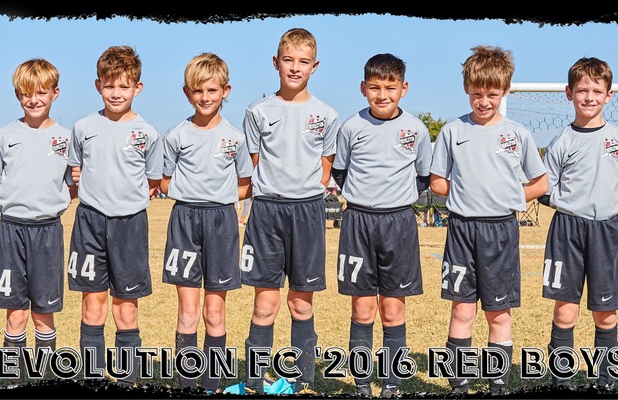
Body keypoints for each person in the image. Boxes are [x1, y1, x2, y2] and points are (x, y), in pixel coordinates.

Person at [429, 46, 548, 395]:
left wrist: (509, 197)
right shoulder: (453, 131)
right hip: (462, 230)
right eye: (477, 94)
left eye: (492, 94)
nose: (484, 102)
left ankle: (498, 384)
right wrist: (467, 194)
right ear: (467, 88)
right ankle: (459, 384)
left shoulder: (517, 134)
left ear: (505, 91)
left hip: (501, 231)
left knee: (498, 313)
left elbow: (540, 183)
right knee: (462, 310)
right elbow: (437, 182)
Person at [239, 27, 339, 395]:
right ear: (276, 62)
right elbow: (255, 164)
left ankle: (301, 379)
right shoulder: (258, 111)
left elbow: (324, 170)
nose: (295, 67)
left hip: (307, 213)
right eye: (288, 60)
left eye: (303, 61)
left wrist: (303, 193)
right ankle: (255, 380)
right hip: (267, 212)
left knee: (300, 302)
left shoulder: (326, 115)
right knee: (264, 303)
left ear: (315, 66)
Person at [330, 53, 432, 397]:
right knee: (362, 308)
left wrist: (394, 199)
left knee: (392, 308)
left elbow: (422, 176)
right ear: (363, 88)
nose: (382, 95)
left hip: (398, 223)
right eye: (375, 87)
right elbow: (340, 172)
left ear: (404, 88)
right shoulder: (351, 127)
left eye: (390, 87)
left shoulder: (416, 129)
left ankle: (391, 382)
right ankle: (362, 384)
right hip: (358, 222)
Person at [66, 45, 164, 387]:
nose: (116, 93)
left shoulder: (148, 133)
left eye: (124, 86)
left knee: (126, 306)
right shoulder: (82, 127)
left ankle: (126, 381)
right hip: (90, 222)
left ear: (138, 87)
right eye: (109, 86)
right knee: (92, 304)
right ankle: (92, 378)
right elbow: (75, 172)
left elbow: (152, 182)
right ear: (98, 86)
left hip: (130, 225)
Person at [159, 52, 253, 392]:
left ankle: (211, 385)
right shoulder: (176, 135)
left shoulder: (236, 138)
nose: (205, 97)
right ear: (187, 93)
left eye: (212, 90)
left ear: (225, 91)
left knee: (215, 311)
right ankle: (187, 385)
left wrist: (218, 198)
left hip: (221, 221)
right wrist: (192, 194)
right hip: (184, 220)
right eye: (198, 91)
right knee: (188, 310)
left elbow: (245, 185)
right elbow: (164, 183)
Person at [537, 57, 618, 389]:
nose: (589, 97)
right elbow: (545, 189)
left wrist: (612, 205)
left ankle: (605, 380)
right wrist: (573, 204)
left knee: (605, 312)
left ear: (609, 95)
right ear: (569, 93)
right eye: (582, 90)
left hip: (606, 231)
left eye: (597, 91)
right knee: (565, 310)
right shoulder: (562, 141)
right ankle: (561, 381)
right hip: (567, 231)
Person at [0, 58, 75, 382]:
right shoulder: (3, 136)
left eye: (41, 93)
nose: (34, 100)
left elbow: (73, 185)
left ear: (55, 93)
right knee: (16, 314)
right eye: (26, 94)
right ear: (17, 96)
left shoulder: (67, 138)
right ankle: (14, 379)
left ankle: (45, 377)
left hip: (48, 231)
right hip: (12, 231)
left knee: (43, 314)